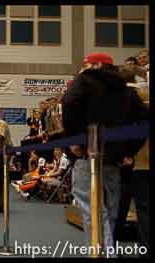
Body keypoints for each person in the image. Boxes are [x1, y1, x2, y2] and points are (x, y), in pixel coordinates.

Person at [60, 52, 149, 246]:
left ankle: (103, 251)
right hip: (114, 160)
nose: (84, 68)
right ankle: (105, 247)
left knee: (92, 209)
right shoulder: (125, 90)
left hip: (88, 154)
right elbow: (144, 120)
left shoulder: (85, 81)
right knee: (110, 211)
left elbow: (68, 103)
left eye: (87, 64)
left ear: (97, 65)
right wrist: (129, 151)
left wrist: (74, 139)